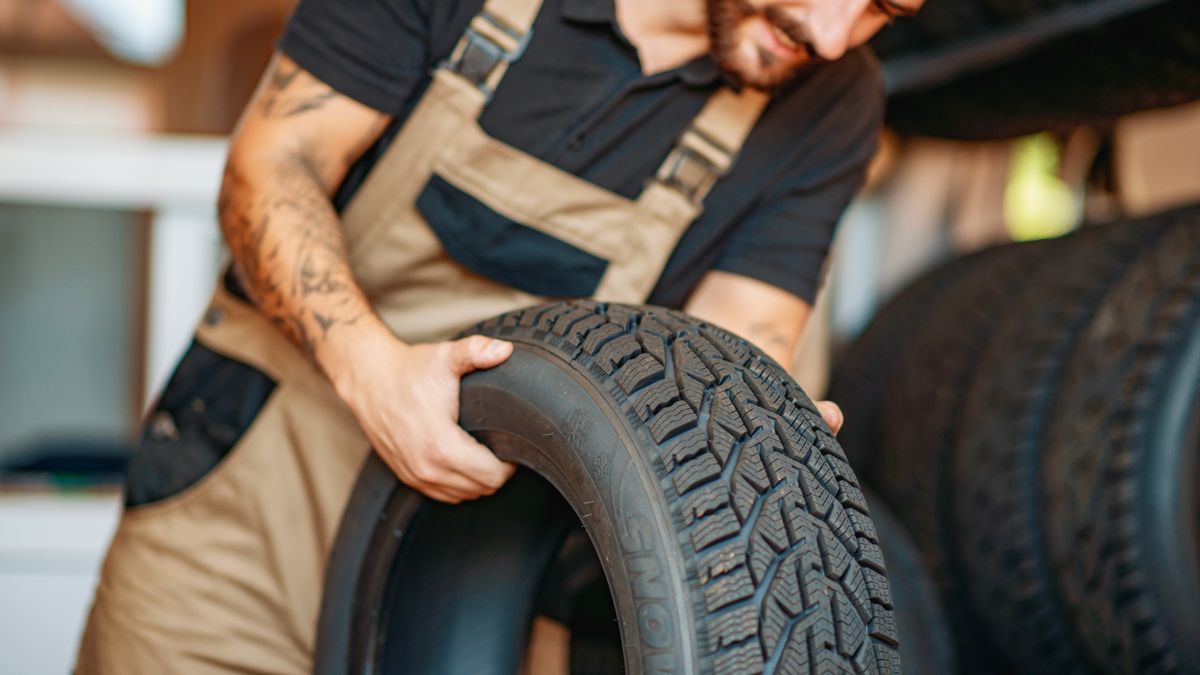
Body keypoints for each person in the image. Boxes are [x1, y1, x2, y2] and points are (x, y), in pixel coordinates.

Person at [76, 0, 924, 672]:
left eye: (885, 9)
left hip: (486, 578)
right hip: (249, 518)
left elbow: (740, 335)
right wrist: (376, 375)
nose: (831, 31)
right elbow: (272, 166)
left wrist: (742, 438)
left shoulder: (834, 101)